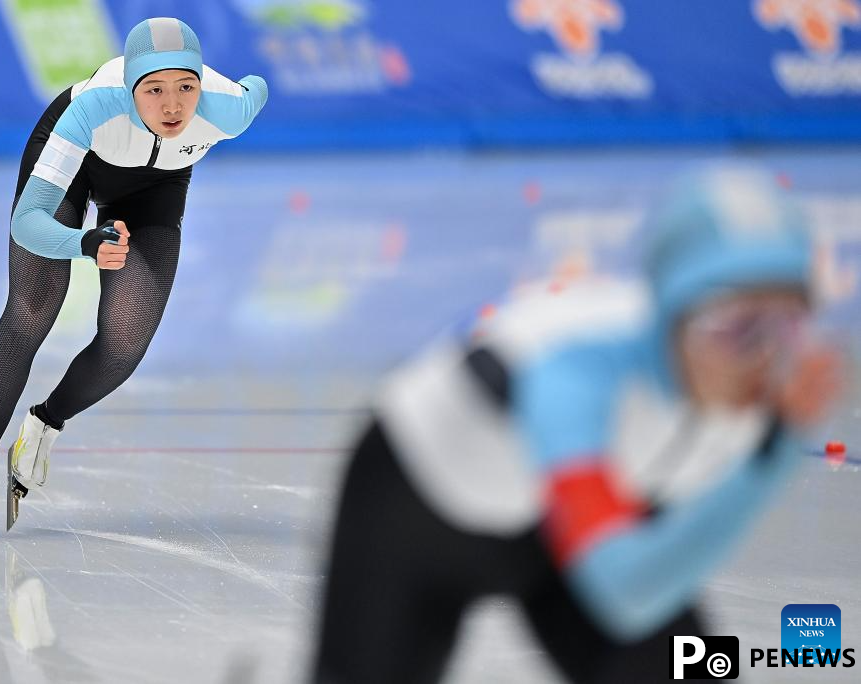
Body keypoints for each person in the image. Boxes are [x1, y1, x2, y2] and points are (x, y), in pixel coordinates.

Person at [309, 166, 842, 683]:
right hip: (419, 508)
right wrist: (774, 454)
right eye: (734, 327)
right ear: (672, 313)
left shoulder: (751, 391)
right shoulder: (577, 365)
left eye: (787, 323)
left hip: (583, 520)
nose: (763, 356)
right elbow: (624, 592)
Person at [0, 17, 268, 535]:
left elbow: (257, 89)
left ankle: (45, 422)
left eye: (186, 87)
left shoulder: (228, 110)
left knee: (126, 340)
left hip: (153, 188)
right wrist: (84, 244)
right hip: (78, 166)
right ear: (130, 86)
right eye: (153, 89)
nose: (173, 105)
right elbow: (28, 224)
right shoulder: (92, 108)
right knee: (30, 313)